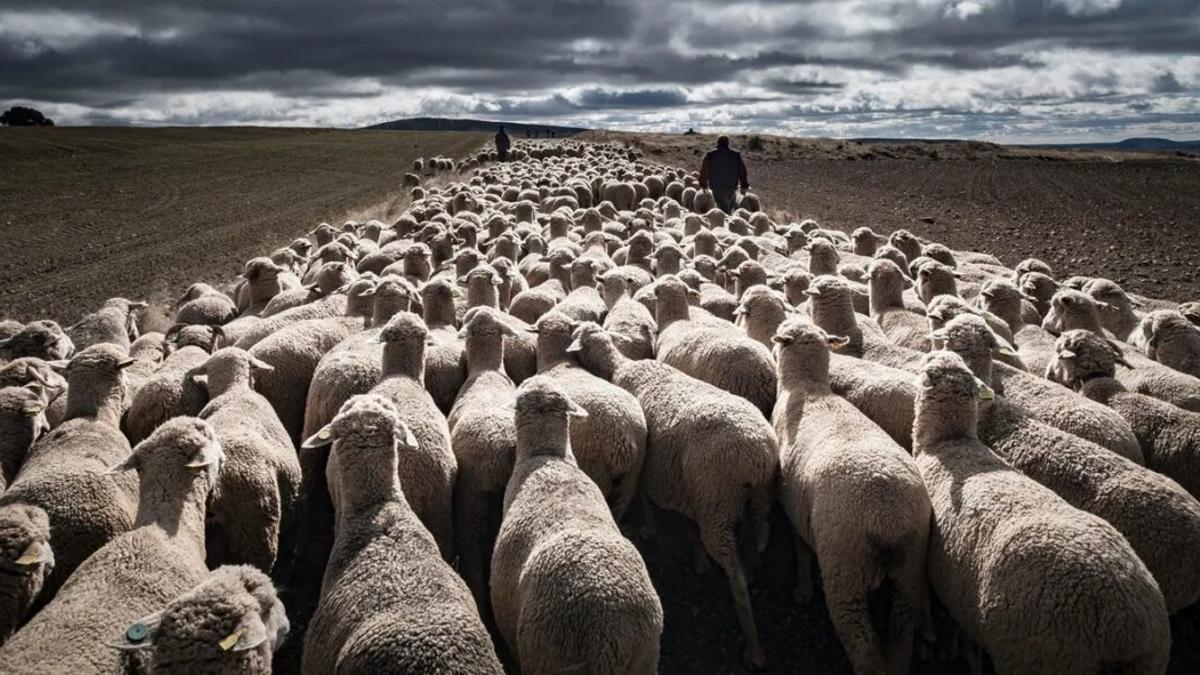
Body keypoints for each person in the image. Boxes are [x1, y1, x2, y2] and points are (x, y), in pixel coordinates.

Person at [698, 135, 749, 214]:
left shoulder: (710, 155)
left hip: (717, 187)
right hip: (732, 188)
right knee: (728, 209)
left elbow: (704, 171)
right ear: (728, 143)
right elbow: (742, 171)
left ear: (718, 143)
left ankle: (726, 224)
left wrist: (703, 184)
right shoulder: (736, 155)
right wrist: (744, 185)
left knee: (723, 212)